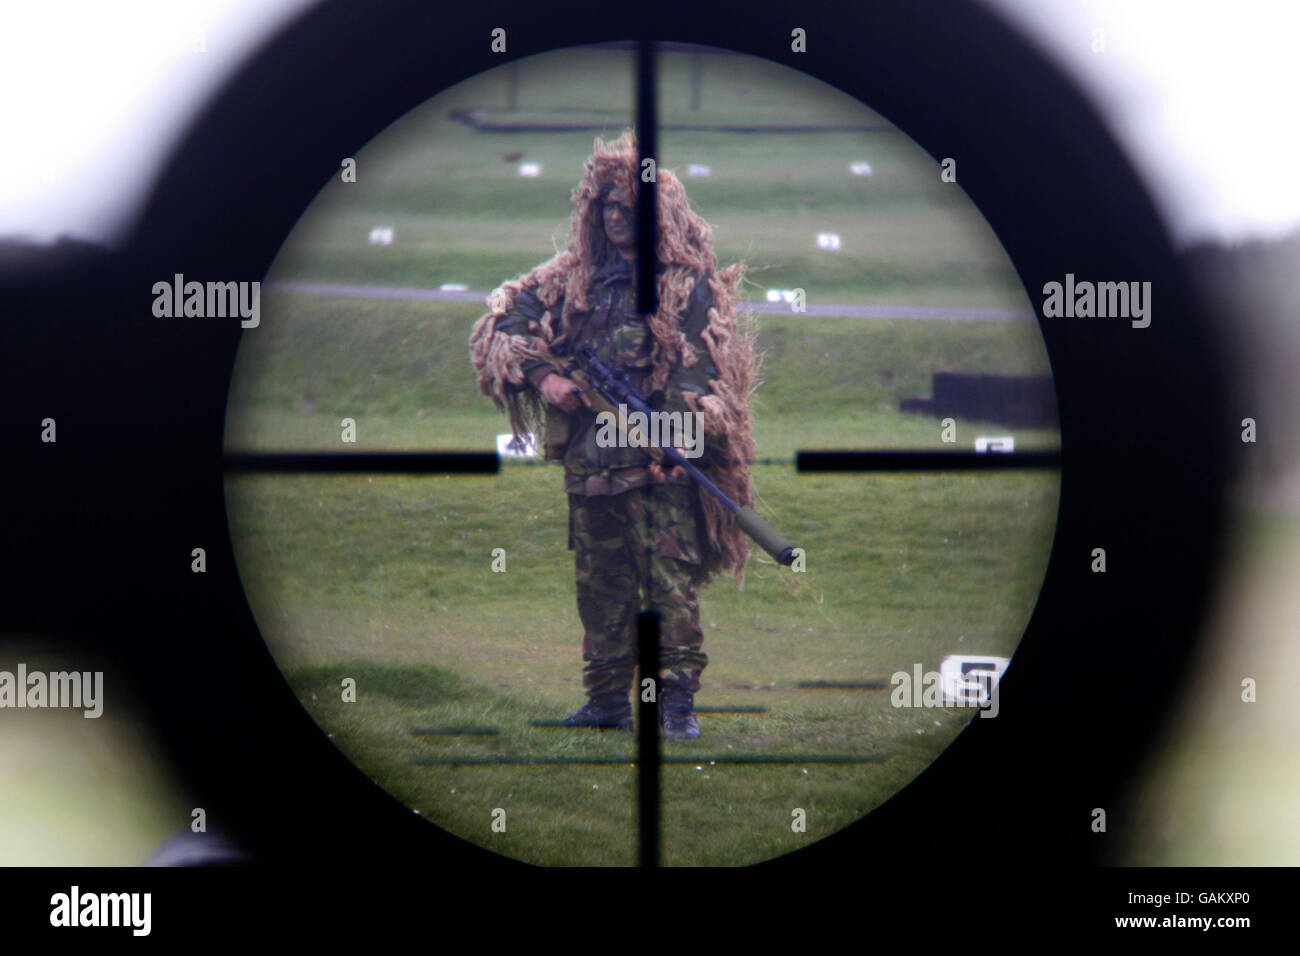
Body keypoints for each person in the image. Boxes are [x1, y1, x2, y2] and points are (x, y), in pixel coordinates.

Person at [468, 130, 757, 739]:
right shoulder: (572, 278)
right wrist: (546, 380)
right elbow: (503, 322)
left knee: (668, 588)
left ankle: (677, 706)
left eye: (630, 206)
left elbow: (701, 380)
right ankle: (604, 703)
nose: (618, 217)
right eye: (608, 206)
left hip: (656, 467)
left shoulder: (685, 286)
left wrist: (673, 446)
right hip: (590, 467)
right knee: (599, 590)